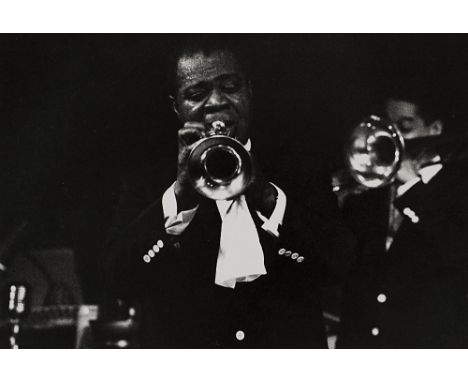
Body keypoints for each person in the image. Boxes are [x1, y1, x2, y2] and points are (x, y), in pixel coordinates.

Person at [102, 37, 355, 348]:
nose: (216, 102)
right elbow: (118, 279)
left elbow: (339, 266)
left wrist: (265, 195)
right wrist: (181, 194)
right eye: (196, 94)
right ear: (177, 107)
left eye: (230, 86)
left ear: (249, 90)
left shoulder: (300, 171)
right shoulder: (148, 182)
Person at [337, 85, 468, 348]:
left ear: (435, 129)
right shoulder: (373, 187)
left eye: (405, 126)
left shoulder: (459, 187)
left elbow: (457, 251)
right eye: (389, 127)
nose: (393, 136)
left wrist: (413, 187)